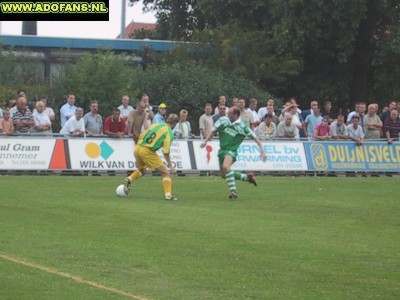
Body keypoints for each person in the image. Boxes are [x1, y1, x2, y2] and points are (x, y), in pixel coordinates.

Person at [200, 106, 267, 199]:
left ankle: (233, 192)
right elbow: (213, 130)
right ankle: (247, 178)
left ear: (236, 115)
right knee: (224, 175)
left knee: (226, 167)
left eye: (230, 114)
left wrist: (262, 151)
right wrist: (205, 141)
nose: (227, 115)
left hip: (231, 151)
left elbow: (256, 138)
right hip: (222, 150)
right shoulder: (223, 120)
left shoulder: (242, 127)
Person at [124, 114, 180, 201]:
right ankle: (168, 195)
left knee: (142, 171)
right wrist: (171, 166)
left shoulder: (155, 125)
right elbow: (166, 151)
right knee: (165, 173)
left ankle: (130, 178)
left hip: (138, 148)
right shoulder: (169, 132)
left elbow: (142, 135)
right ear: (175, 123)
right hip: (148, 151)